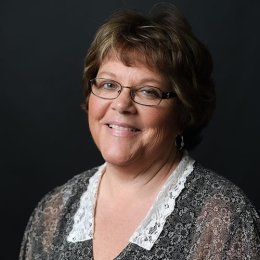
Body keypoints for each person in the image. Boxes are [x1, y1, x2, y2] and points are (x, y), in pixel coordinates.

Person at [20, 3, 260, 260]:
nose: (122, 104)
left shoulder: (222, 218)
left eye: (148, 91)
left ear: (184, 111)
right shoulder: (53, 212)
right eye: (109, 84)